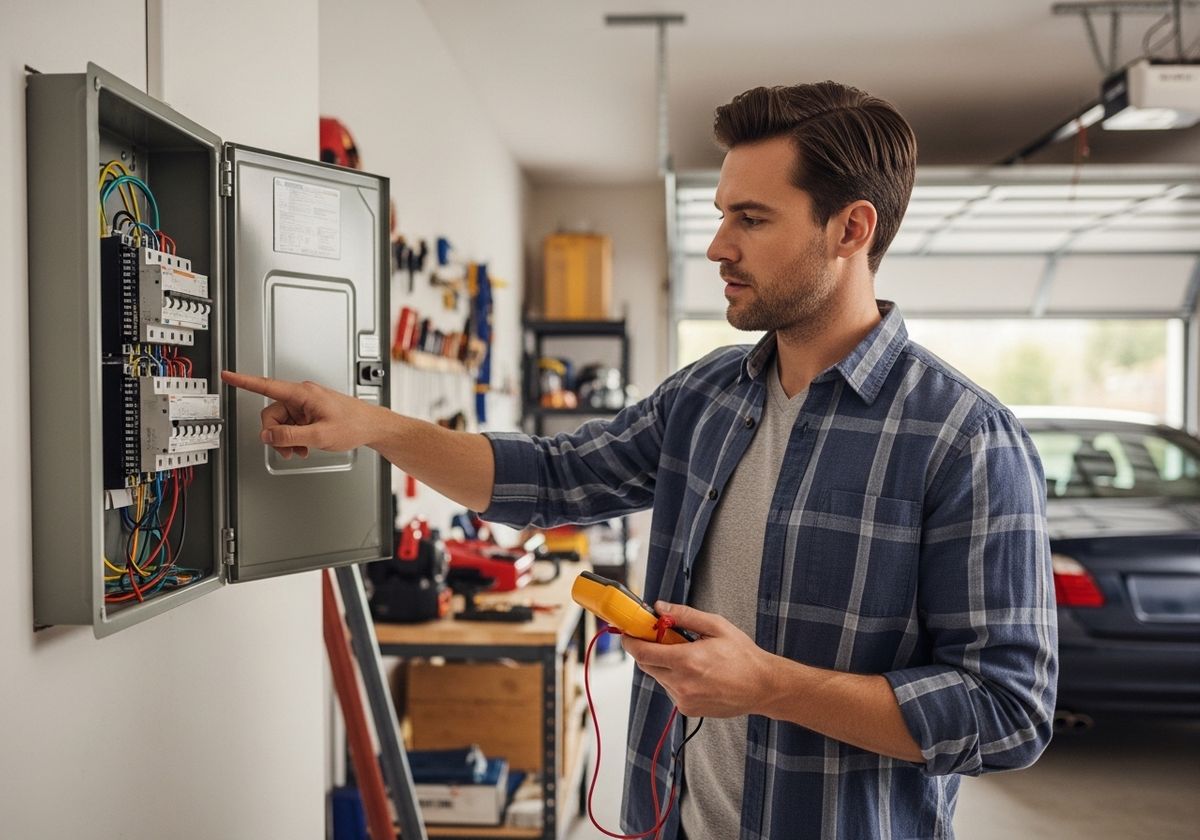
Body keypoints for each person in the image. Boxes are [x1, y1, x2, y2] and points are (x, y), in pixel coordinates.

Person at [223, 81, 1056, 840]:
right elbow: (550, 478)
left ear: (852, 228)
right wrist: (370, 426)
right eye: (722, 213)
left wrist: (767, 684)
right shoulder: (707, 398)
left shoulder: (965, 439)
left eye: (752, 219)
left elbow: (1008, 712)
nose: (718, 247)